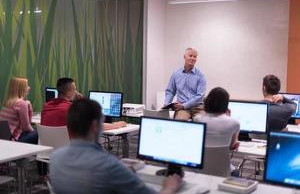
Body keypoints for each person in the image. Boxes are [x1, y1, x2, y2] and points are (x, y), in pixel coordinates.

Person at [50, 98, 182, 194]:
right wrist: (169, 187)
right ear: (95, 126)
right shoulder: (108, 165)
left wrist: (123, 173)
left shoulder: (55, 158)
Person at [41, 77, 126, 130]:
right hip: (71, 152)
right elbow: (96, 126)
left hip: (49, 151)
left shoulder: (46, 106)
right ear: (69, 93)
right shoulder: (72, 110)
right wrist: (117, 125)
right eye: (75, 90)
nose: (77, 92)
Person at [164, 48, 206, 120]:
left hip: (197, 108)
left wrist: (184, 105)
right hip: (182, 109)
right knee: (179, 122)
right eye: (190, 55)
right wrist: (167, 104)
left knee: (202, 123)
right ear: (184, 56)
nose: (192, 58)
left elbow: (200, 96)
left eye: (195, 56)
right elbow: (170, 91)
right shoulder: (176, 74)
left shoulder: (200, 76)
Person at [0, 77, 38, 144]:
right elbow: (26, 128)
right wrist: (30, 108)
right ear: (21, 89)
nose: (29, 88)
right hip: (12, 140)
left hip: (3, 139)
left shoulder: (8, 102)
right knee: (39, 133)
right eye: (26, 86)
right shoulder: (21, 103)